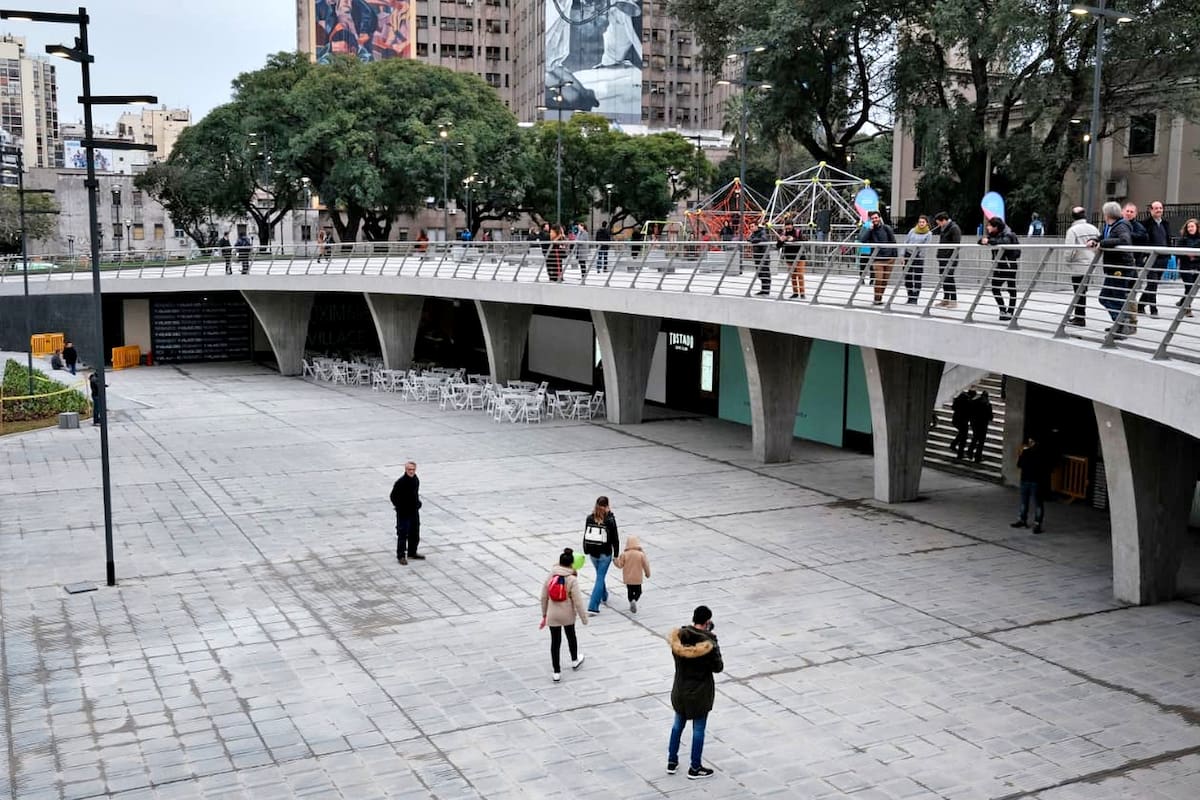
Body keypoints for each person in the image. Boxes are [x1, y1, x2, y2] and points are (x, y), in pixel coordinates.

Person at [667, 605, 723, 780]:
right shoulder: (709, 644)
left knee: (677, 726)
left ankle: (672, 761)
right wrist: (713, 640)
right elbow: (718, 667)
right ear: (707, 622)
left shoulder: (679, 638)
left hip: (680, 691)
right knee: (698, 729)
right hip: (699, 694)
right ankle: (695, 767)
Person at [539, 548, 588, 682]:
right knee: (571, 636)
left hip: (552, 614)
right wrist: (584, 618)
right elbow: (578, 601)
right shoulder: (572, 579)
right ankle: (574, 659)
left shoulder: (551, 575)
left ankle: (556, 672)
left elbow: (543, 596)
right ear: (572, 564)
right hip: (567, 614)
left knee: (555, 642)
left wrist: (544, 614)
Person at [1088, 201, 1136, 338]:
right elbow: (1103, 237)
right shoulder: (1111, 226)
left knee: (1114, 297)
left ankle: (1122, 325)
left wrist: (1101, 243)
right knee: (1105, 297)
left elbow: (1124, 240)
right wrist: (1095, 240)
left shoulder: (1121, 226)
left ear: (1107, 214)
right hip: (1114, 267)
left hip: (1120, 267)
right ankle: (1119, 323)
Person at [582, 495, 619, 614]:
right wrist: (616, 555)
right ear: (607, 506)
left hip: (593, 553)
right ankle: (593, 606)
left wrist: (586, 549)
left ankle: (604, 594)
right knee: (600, 577)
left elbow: (585, 535)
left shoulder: (589, 518)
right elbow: (615, 539)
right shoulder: (609, 520)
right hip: (605, 554)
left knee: (599, 575)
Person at [1063, 206, 1100, 327]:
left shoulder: (1073, 230)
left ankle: (1079, 318)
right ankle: (1079, 316)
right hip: (1090, 263)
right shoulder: (1093, 228)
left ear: (1073, 216)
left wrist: (1068, 261)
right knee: (1082, 291)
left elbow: (1069, 250)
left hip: (1078, 265)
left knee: (1078, 292)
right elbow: (1099, 244)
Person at [979, 217, 1021, 320]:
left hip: (1009, 265)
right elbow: (980, 241)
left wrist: (989, 240)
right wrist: (985, 240)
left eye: (989, 225)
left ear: (996, 227)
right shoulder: (993, 235)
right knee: (995, 288)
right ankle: (1002, 309)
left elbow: (1004, 242)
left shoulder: (1008, 234)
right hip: (998, 266)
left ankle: (1010, 312)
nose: (987, 227)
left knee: (1011, 289)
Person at [1011, 436, 1052, 534]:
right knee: (1038, 503)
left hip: (1026, 479)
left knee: (1024, 502)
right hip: (1036, 481)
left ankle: (1023, 520)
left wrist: (1023, 455)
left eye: (1030, 442)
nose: (1029, 443)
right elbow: (1046, 468)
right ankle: (1037, 524)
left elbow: (1019, 465)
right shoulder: (1043, 454)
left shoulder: (1026, 452)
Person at [1138, 201, 1171, 317]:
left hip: (1163, 257)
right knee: (1152, 283)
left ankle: (1140, 305)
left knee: (1154, 283)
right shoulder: (1145, 223)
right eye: (1156, 208)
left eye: (1160, 208)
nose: (1159, 210)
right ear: (1151, 210)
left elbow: (1167, 239)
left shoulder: (1165, 223)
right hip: (1151, 257)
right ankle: (1153, 309)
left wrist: (1169, 253)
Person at [389, 461, 423, 564]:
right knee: (403, 534)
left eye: (413, 469)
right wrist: (400, 507)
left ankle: (412, 552)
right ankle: (401, 556)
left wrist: (417, 503)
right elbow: (393, 496)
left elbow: (415, 494)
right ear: (405, 469)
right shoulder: (401, 482)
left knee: (415, 533)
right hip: (404, 513)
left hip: (414, 512)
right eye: (409, 469)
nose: (411, 471)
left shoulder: (416, 480)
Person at [864, 211, 898, 305]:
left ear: (879, 218)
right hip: (877, 259)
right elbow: (862, 239)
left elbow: (893, 241)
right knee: (879, 279)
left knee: (885, 281)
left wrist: (894, 256)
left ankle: (880, 297)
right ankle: (877, 298)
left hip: (889, 258)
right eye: (873, 218)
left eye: (876, 218)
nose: (875, 220)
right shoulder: (871, 230)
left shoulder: (886, 228)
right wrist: (869, 230)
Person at [933, 212, 962, 308]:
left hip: (950, 258)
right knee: (943, 278)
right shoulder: (944, 228)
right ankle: (946, 299)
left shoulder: (954, 228)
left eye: (939, 223)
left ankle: (953, 300)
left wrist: (948, 255)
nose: (938, 225)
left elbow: (956, 244)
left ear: (944, 220)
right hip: (942, 258)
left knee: (949, 277)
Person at [615, 534, 650, 613]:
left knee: (630, 591)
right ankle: (635, 599)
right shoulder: (641, 554)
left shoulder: (624, 554)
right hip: (637, 578)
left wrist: (615, 561)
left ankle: (631, 601)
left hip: (628, 578)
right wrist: (648, 574)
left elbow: (620, 565)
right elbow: (646, 565)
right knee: (638, 591)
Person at [904, 215, 933, 305]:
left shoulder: (928, 234)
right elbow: (906, 242)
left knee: (917, 277)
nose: (921, 224)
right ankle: (910, 296)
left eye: (923, 222)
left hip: (918, 257)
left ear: (926, 223)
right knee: (907, 276)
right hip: (908, 254)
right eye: (920, 222)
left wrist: (919, 255)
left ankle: (915, 297)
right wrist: (902, 255)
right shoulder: (913, 230)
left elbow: (925, 247)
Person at [776, 223, 807, 299]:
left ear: (792, 226)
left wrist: (794, 239)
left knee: (800, 275)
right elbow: (778, 246)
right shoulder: (783, 233)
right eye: (786, 226)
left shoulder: (798, 232)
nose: (788, 228)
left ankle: (802, 293)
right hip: (789, 257)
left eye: (789, 226)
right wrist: (780, 240)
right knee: (793, 276)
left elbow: (804, 240)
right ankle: (795, 292)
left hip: (799, 257)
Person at [1177, 218, 1200, 318]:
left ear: (1197, 227)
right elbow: (1178, 252)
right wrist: (1186, 254)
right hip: (1186, 267)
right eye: (1189, 227)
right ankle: (1187, 308)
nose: (1190, 228)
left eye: (1192, 226)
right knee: (1189, 287)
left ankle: (1182, 302)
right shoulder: (1182, 239)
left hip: (1198, 266)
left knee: (1193, 288)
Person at [968, 391, 993, 463]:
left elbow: (971, 412)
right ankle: (977, 457)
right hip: (983, 425)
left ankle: (970, 452)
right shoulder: (988, 405)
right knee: (981, 442)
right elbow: (990, 417)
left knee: (975, 438)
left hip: (975, 424)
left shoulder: (975, 402)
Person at [951, 389, 975, 460]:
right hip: (963, 421)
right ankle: (960, 454)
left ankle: (953, 444)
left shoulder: (960, 398)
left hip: (956, 419)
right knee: (963, 438)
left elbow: (953, 407)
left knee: (961, 433)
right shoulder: (968, 402)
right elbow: (970, 413)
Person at [749, 223, 771, 295]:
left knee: (765, 273)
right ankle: (763, 289)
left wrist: (754, 240)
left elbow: (763, 239)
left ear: (756, 226)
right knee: (760, 273)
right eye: (750, 227)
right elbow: (749, 239)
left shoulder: (762, 232)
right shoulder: (753, 234)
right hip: (757, 256)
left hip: (763, 256)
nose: (751, 228)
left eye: (752, 226)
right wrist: (754, 240)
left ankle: (766, 290)